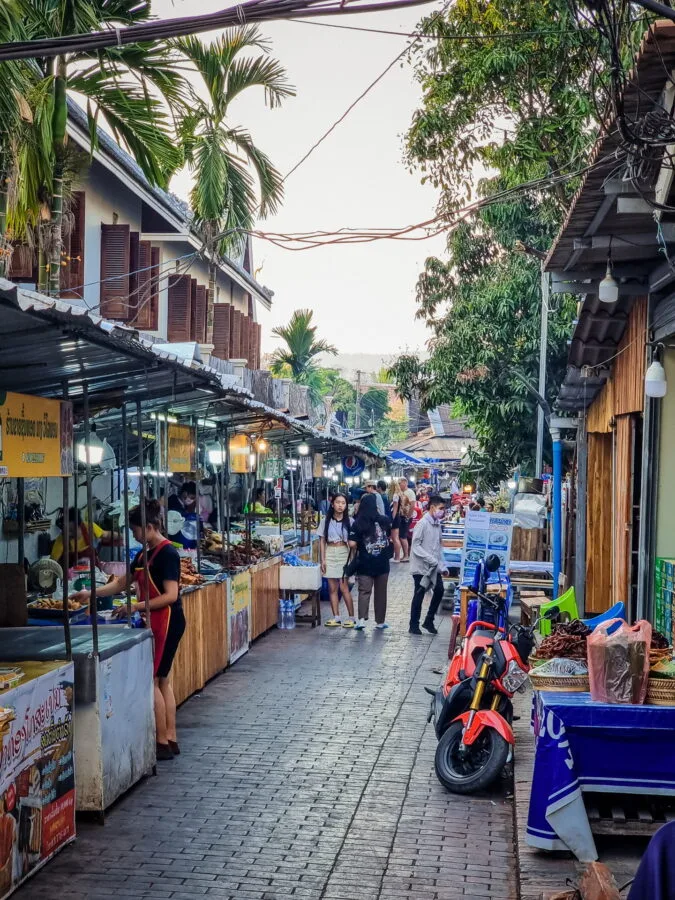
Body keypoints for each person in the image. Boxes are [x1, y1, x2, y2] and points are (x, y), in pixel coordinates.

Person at [72, 499, 185, 761]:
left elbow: (170, 595)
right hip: (155, 619)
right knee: (163, 679)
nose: (132, 534)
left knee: (154, 679)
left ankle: (162, 741)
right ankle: (170, 738)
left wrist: (134, 607)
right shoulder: (144, 554)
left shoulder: (168, 554)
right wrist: (89, 593)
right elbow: (122, 583)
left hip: (168, 620)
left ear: (148, 526)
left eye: (135, 530)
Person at [349, 492, 392, 630]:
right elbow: (389, 537)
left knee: (364, 591)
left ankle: (361, 620)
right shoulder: (384, 520)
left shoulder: (358, 523)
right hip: (383, 563)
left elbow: (351, 544)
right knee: (381, 593)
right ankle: (380, 622)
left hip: (364, 564)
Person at [408, 495, 449, 635]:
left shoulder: (437, 524)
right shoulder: (422, 524)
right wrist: (431, 559)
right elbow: (416, 546)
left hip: (434, 567)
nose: (443, 511)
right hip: (421, 567)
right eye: (441, 508)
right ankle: (413, 624)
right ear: (432, 507)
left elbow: (439, 547)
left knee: (439, 590)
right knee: (419, 594)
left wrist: (443, 566)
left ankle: (429, 620)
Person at [318, 493, 355, 628]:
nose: (340, 505)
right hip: (330, 552)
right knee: (332, 588)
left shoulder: (350, 521)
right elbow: (322, 541)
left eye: (343, 503)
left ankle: (351, 617)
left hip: (343, 552)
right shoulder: (325, 521)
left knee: (344, 587)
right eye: (338, 502)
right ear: (332, 504)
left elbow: (352, 543)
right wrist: (323, 559)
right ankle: (336, 617)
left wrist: (352, 561)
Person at [391, 477, 416, 563]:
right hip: (401, 516)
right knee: (401, 535)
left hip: (406, 517)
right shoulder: (400, 493)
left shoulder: (410, 492)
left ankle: (406, 555)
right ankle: (404, 555)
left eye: (400, 483)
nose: (399, 485)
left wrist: (408, 516)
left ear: (405, 483)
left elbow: (412, 505)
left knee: (403, 536)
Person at [168, 480, 199, 548]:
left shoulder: (182, 505)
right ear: (184, 493)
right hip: (173, 539)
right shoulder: (173, 502)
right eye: (192, 497)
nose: (191, 500)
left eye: (193, 498)